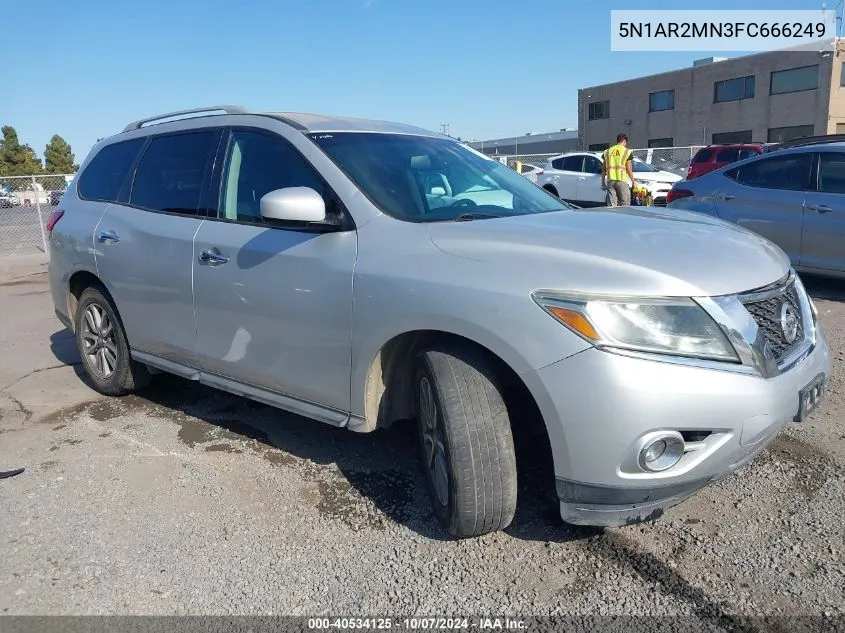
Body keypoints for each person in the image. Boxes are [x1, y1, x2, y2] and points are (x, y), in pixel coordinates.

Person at [601, 134, 636, 207]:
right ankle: (624, 218)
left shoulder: (607, 152)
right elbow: (628, 169)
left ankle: (613, 218)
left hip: (611, 180)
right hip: (621, 180)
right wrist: (633, 181)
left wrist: (603, 183)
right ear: (624, 141)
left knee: (612, 204)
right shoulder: (627, 151)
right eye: (625, 143)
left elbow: (603, 169)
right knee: (624, 203)